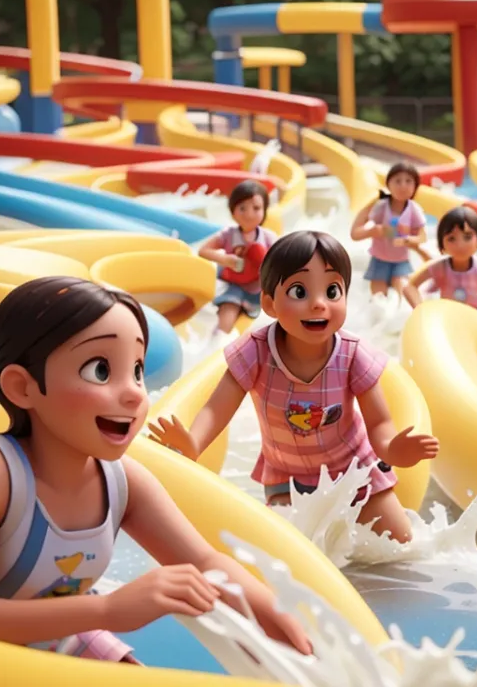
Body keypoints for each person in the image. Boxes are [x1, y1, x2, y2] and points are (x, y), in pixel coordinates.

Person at [0, 276, 310, 663]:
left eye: (137, 370)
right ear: (23, 387)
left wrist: (285, 623)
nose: (133, 392)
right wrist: (109, 609)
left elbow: (204, 561)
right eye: (100, 370)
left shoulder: (122, 481)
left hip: (54, 630)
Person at [149, 231, 440, 543]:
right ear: (269, 304)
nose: (318, 305)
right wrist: (193, 443)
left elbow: (379, 421)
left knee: (399, 545)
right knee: (288, 555)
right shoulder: (256, 350)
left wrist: (391, 449)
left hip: (355, 471)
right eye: (300, 292)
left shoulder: (353, 354)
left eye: (332, 291)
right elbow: (217, 407)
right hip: (286, 481)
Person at [198, 180, 277, 333]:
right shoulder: (228, 235)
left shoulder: (267, 237)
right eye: (242, 208)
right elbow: (203, 251)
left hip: (261, 288)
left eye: (256, 208)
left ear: (264, 210)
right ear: (233, 211)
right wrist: (225, 260)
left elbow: (282, 258)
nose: (249, 214)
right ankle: (217, 342)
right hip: (235, 285)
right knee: (228, 310)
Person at [403, 206, 477, 309]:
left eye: (467, 237)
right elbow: (410, 287)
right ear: (441, 245)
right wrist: (420, 309)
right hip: (447, 320)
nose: (460, 245)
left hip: (472, 321)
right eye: (451, 239)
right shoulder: (441, 267)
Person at [350, 163, 428, 296]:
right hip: (379, 261)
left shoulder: (413, 210)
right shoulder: (381, 207)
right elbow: (355, 234)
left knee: (404, 294)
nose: (403, 186)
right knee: (378, 299)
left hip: (401, 262)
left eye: (408, 181)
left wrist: (408, 240)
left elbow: (422, 237)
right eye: (398, 181)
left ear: (415, 187)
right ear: (388, 185)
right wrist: (372, 231)